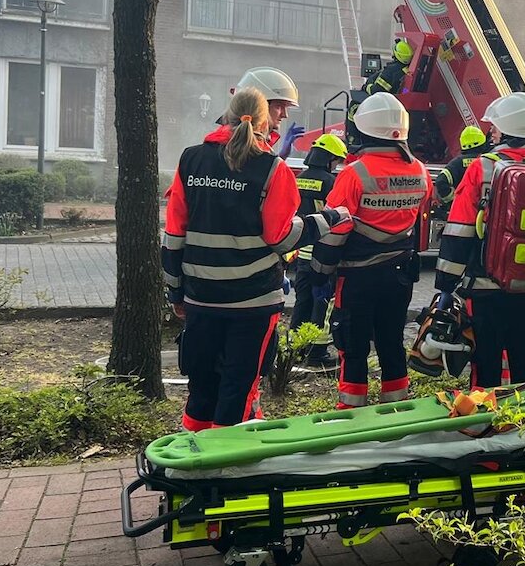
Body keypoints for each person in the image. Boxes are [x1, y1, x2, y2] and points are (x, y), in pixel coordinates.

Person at [162, 88, 340, 431]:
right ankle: (229, 460)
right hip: (253, 301)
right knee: (239, 388)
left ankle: (192, 453)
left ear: (227, 115)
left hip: (201, 296)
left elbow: (173, 235)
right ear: (263, 121)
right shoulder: (272, 168)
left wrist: (176, 292)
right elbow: (281, 237)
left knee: (201, 386)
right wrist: (327, 220)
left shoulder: (190, 159)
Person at [311, 93, 431, 408]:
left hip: (357, 277)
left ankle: (352, 409)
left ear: (363, 129)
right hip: (400, 273)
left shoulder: (354, 174)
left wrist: (320, 272)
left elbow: (335, 229)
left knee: (353, 345)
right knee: (391, 340)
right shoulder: (420, 171)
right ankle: (396, 406)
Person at [435, 91, 525, 388]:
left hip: (487, 289)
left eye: (496, 127)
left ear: (510, 129)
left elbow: (460, 229)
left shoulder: (483, 167)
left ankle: (485, 416)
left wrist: (446, 284)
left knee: (485, 368)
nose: (492, 133)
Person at [289, 133, 348, 365]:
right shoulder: (331, 182)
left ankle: (296, 347)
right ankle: (317, 352)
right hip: (322, 252)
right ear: (329, 159)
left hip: (301, 250)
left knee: (302, 300)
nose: (336, 165)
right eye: (337, 161)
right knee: (322, 303)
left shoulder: (299, 178)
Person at [345, 38, 415, 150]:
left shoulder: (391, 71)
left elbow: (376, 91)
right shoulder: (407, 70)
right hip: (394, 103)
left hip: (382, 104)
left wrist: (366, 86)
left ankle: (353, 140)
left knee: (354, 106)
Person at [233, 66, 302, 158]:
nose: (285, 115)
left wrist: (282, 156)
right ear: (259, 107)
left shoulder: (224, 145)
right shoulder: (246, 148)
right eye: (278, 106)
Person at [434, 125, 490, 205]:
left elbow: (440, 181)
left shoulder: (456, 163)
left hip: (462, 209)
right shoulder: (488, 162)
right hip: (485, 208)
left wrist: (454, 200)